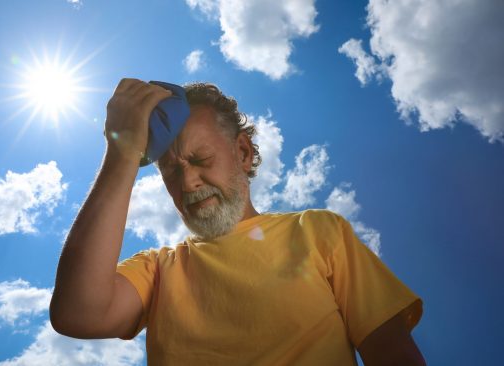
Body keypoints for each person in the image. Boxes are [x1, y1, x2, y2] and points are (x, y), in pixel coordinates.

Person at [50, 78, 426, 365]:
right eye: (170, 172)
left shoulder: (318, 231)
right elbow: (77, 314)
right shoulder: (159, 270)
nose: (188, 182)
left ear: (243, 152)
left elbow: (392, 354)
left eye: (199, 160)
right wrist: (123, 152)